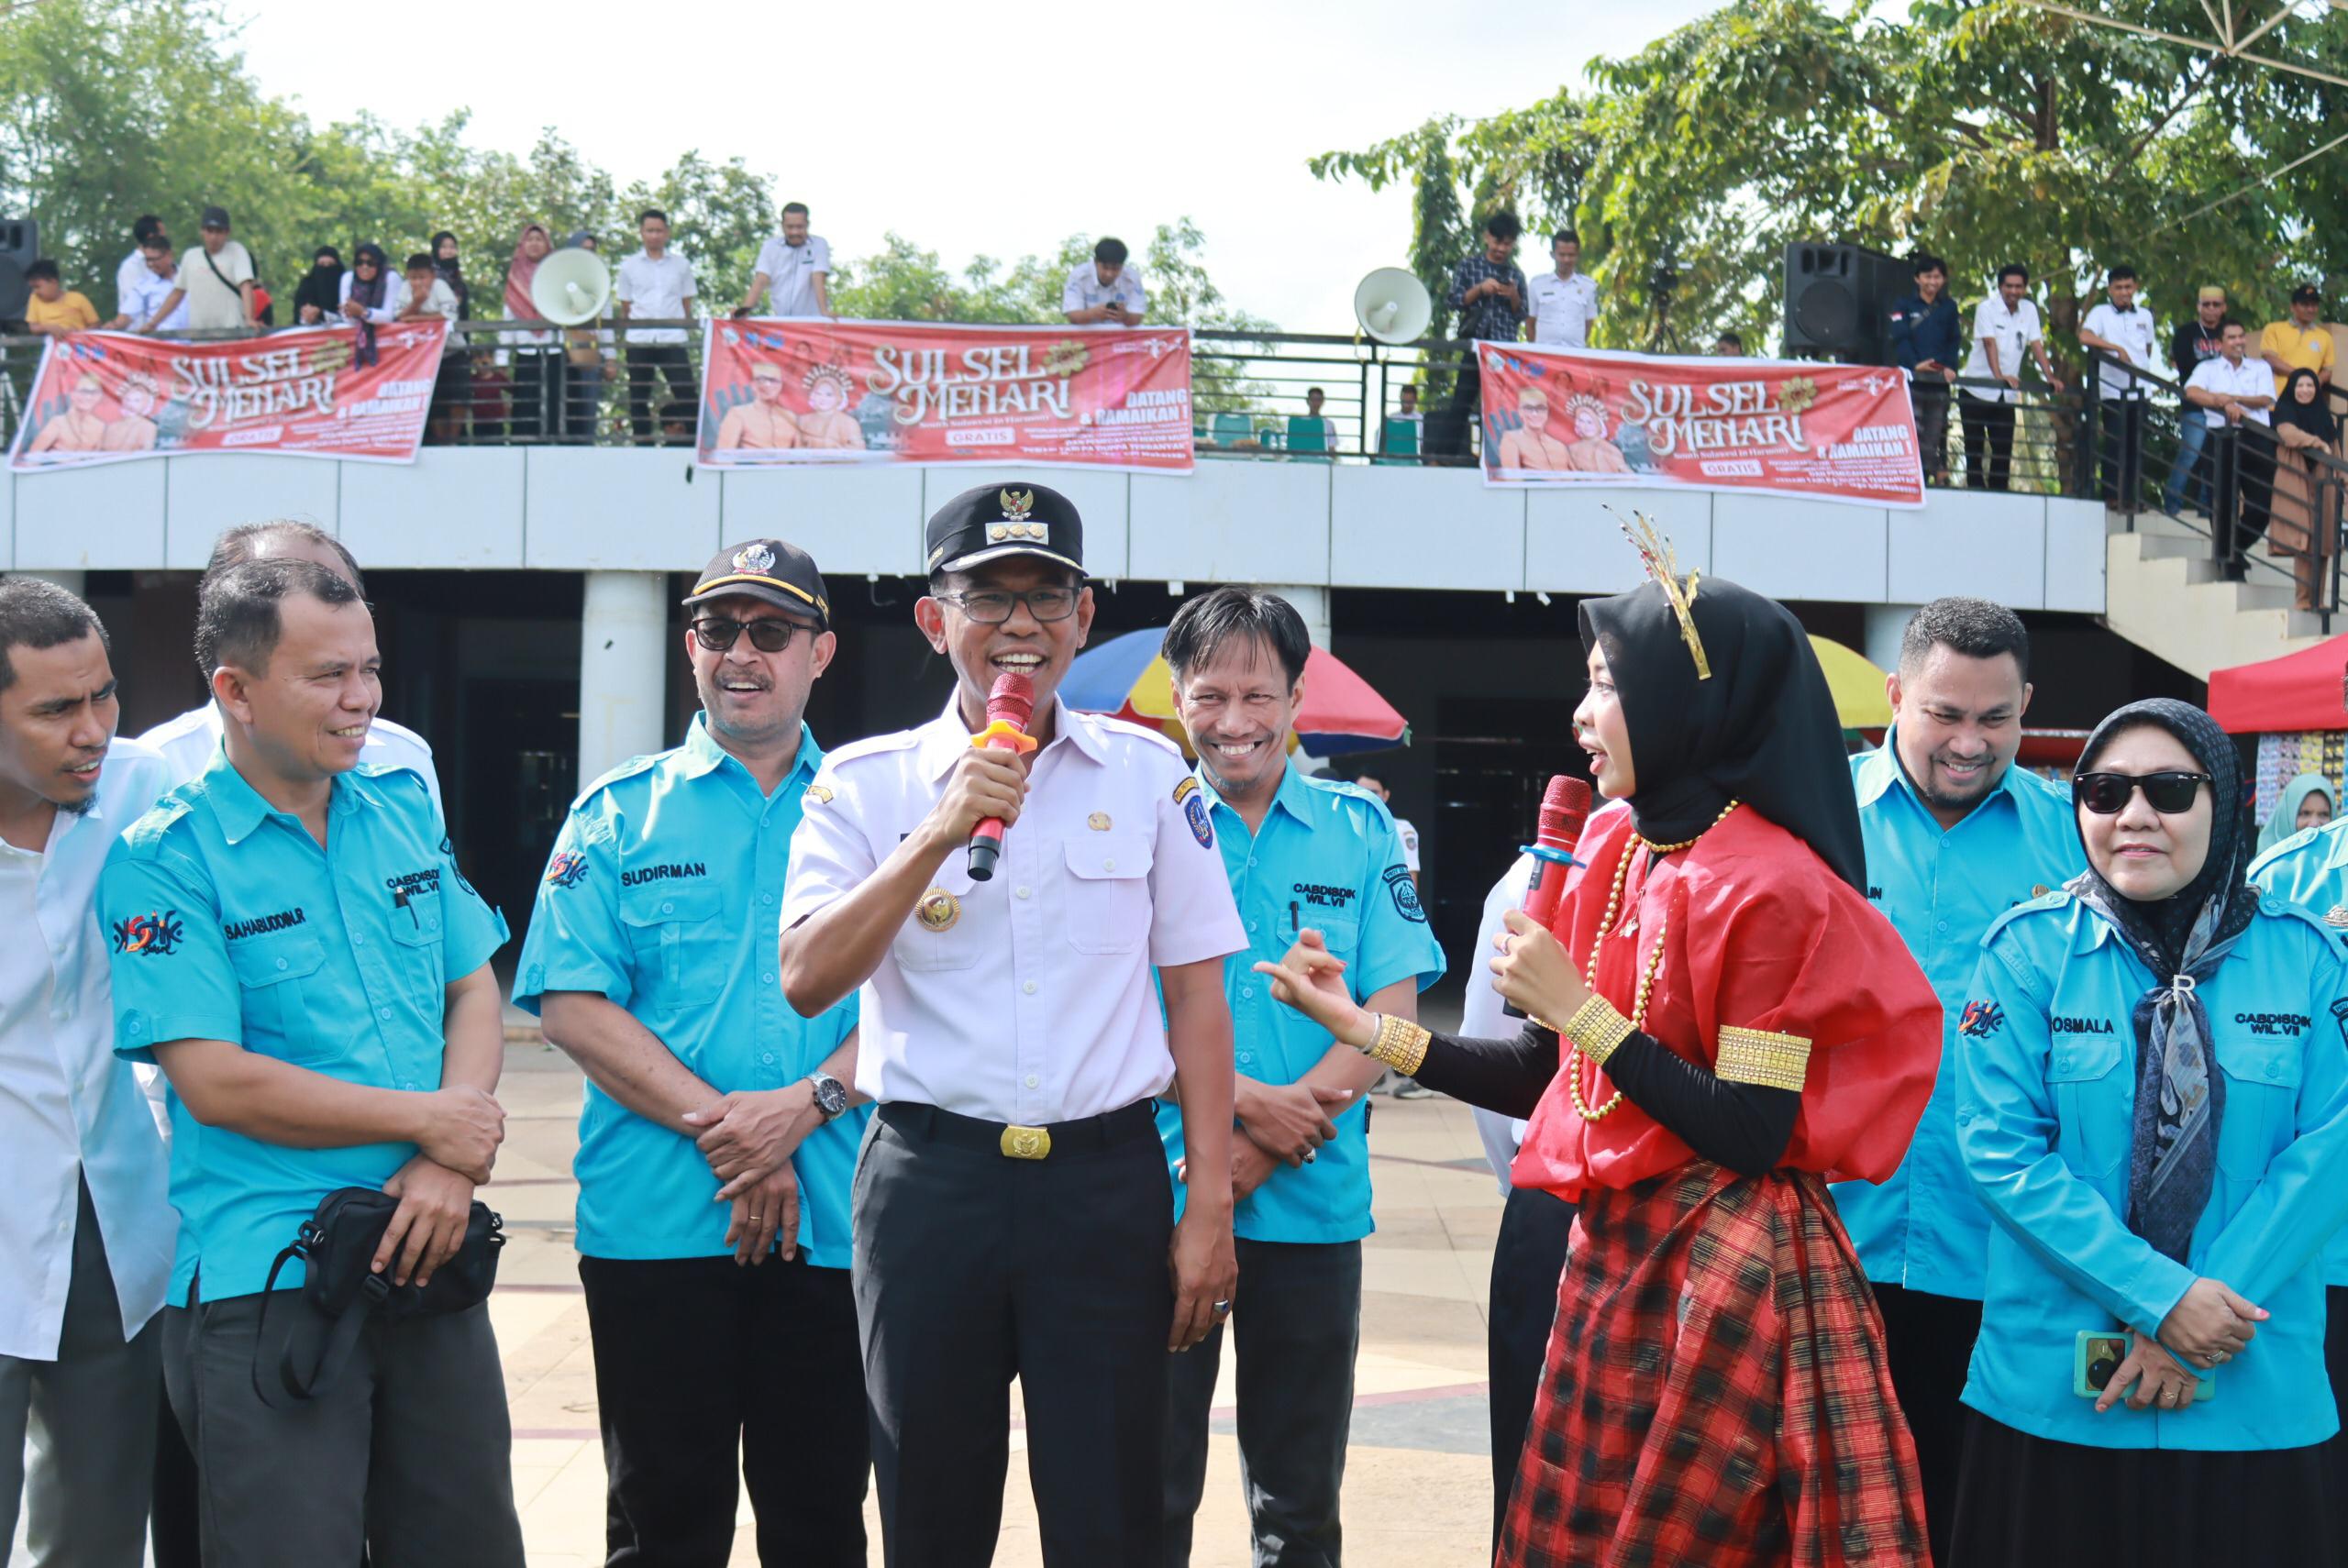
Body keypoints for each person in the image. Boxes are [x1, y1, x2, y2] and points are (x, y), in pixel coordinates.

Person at [1254, 539, 1939, 1567]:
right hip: (1606, 1252)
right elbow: (1541, 1071)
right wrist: (1367, 1031)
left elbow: (1751, 1132)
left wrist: (1583, 1013)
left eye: (1607, 687)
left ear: (1687, 703)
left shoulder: (1773, 887)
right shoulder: (1618, 846)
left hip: (1722, 1274)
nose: (1580, 717)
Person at [777, 482, 1245, 1566]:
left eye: (1048, 597)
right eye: (988, 599)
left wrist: (1206, 1203)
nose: (1021, 627)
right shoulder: (866, 785)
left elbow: (1197, 998)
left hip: (1105, 1189)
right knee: (931, 1516)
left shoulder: (1148, 776)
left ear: (1085, 619)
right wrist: (940, 829)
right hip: (930, 1192)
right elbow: (806, 978)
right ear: (936, 620)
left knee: (1112, 1519)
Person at [98, 558, 525, 1567]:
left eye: (370, 670)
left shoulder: (399, 812)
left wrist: (449, 1156)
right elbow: (213, 1079)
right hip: (274, 1281)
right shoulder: (165, 858)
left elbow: (473, 987)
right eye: (329, 675)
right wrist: (429, 1124)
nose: (363, 699)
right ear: (235, 692)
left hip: (432, 1253)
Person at [517, 539, 871, 1566]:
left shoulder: (873, 810)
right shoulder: (619, 812)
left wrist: (800, 1108)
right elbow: (572, 1004)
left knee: (818, 1519)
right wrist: (738, 1135)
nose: (742, 654)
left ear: (822, 652)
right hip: (658, 1226)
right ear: (689, 648)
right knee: (661, 1523)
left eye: (772, 631)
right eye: (719, 631)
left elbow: (919, 998)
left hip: (838, 1225)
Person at [1950, 699, 2348, 1568]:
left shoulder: (2312, 960)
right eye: (2103, 790)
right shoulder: (2025, 955)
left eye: (2169, 789)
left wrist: (2205, 1309)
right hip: (2059, 1395)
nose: (2134, 815)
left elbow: (2333, 1154)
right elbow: (1999, 1149)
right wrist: (2159, 1299)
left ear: (2226, 799)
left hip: (2251, 1385)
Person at [1156, 588, 1445, 1568]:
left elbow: (1392, 1019)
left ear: (1296, 696)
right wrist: (1242, 1117)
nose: (1232, 722)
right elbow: (1103, 1018)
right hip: (1159, 1203)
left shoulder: (1358, 833)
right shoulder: (1138, 825)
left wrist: (1274, 1139)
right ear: (1175, 695)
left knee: (1299, 1505)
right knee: (1146, 1492)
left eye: (1256, 694)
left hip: (1313, 1208)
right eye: (1208, 696)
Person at [1828, 598, 2082, 1562]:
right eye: (1944, 714)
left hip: (2009, 1257)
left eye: (1995, 718)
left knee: (1981, 1520)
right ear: (1895, 696)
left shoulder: (2074, 841)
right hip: (1837, 1240)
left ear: (2026, 708)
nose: (1970, 743)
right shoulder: (1811, 819)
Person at [0, 579, 176, 1568]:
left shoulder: (145, 791)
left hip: (113, 1231)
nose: (93, 730)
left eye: (104, 695)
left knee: (102, 1534)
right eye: (56, 709)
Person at [137, 522, 444, 818]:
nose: (360, 700)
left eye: (337, 593)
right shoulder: (155, 770)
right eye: (278, 589)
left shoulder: (405, 762)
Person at [2184, 319, 2277, 580]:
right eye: (2232, 337)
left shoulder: (2259, 368)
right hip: (2221, 435)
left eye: (2241, 336)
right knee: (2223, 500)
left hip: (2256, 437)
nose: (2238, 342)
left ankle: (2232, 549)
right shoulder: (2208, 367)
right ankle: (2230, 564)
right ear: (2221, 342)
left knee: (2261, 507)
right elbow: (2191, 391)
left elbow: (2265, 399)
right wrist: (2219, 402)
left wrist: (2231, 399)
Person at [1959, 262, 2065, 491]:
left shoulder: (2029, 310)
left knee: (2003, 447)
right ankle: (1975, 492)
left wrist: (2050, 376)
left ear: (2025, 288)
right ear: (2000, 287)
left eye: (2018, 286)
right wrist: (2000, 376)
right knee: (1974, 449)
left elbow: (2037, 345)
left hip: (2005, 394)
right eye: (2009, 286)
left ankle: (1999, 493)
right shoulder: (1986, 308)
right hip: (1976, 389)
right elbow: (1989, 343)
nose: (2013, 291)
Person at [1441, 211, 1528, 455]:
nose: (1502, 248)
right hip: (1475, 345)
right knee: (1462, 401)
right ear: (1487, 237)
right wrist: (1480, 289)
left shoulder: (1516, 274)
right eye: (1498, 241)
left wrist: (1513, 296)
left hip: (1503, 349)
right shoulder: (1469, 266)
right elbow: (1454, 301)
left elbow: (1522, 314)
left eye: (1508, 244)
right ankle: (1443, 456)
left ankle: (1499, 457)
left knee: (1501, 405)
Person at [2078, 265, 2160, 508]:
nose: (2124, 292)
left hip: (2140, 389)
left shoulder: (2144, 315)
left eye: (2128, 287)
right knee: (2115, 442)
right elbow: (2085, 336)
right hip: (2112, 390)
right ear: (2110, 289)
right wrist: (2116, 349)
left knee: (2137, 444)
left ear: (2135, 288)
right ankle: (2112, 495)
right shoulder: (2100, 312)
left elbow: (2147, 348)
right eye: (2119, 287)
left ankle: (2132, 496)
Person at [617, 210, 699, 445]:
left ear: (667, 233)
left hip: (672, 336)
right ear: (642, 233)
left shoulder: (681, 265)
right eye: (649, 230)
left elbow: (687, 302)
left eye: (658, 230)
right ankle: (643, 443)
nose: (654, 236)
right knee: (639, 395)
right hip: (640, 338)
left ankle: (692, 443)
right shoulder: (629, 266)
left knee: (685, 391)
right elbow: (626, 305)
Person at [2270, 367, 2343, 607]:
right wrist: (2316, 443)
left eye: (2310, 385)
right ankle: (2303, 600)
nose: (2305, 390)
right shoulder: (2284, 410)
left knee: (2322, 545)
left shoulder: (2325, 417)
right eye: (2300, 385)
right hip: (2296, 480)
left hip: (2324, 484)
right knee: (2304, 541)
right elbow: (2289, 435)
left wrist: (2343, 477)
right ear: (2292, 388)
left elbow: (2336, 452)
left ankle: (2317, 601)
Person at [1890, 253, 1962, 487]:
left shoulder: (1949, 307)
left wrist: (1950, 367)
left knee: (1933, 435)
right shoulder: (1902, 305)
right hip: (1912, 381)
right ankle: (1935, 473)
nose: (1933, 281)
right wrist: (1914, 365)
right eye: (1928, 276)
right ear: (1917, 279)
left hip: (1939, 382)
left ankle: (1930, 476)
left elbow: (1954, 340)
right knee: (1912, 433)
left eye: (1938, 276)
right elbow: (1899, 337)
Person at [2164, 286, 2232, 513]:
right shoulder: (2186, 332)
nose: (2211, 309)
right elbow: (2185, 365)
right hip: (2195, 405)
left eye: (2216, 304)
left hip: (2223, 407)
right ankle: (2172, 504)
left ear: (2224, 307)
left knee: (2213, 459)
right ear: (2198, 307)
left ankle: (2206, 510)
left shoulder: (2230, 332)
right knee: (2190, 454)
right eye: (2206, 304)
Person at [138, 206, 255, 333]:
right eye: (210, 231)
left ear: (227, 232)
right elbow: (177, 293)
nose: (214, 237)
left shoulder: (236, 251)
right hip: (200, 334)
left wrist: (249, 319)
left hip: (232, 331)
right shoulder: (191, 256)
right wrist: (153, 324)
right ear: (202, 231)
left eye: (219, 231)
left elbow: (245, 285)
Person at [395, 252, 468, 442]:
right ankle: (439, 439)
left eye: (422, 277)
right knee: (435, 401)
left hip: (452, 350)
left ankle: (453, 438)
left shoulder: (440, 287)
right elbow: (398, 318)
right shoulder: (405, 289)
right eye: (413, 278)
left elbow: (449, 315)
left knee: (457, 397)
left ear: (432, 276)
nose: (418, 282)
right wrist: (417, 302)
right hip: (426, 355)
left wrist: (414, 317)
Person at [503, 223, 561, 440]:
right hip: (525, 350)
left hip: (554, 348)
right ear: (523, 244)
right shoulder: (515, 275)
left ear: (547, 244)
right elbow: (508, 317)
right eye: (530, 239)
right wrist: (502, 358)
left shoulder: (557, 273)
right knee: (525, 404)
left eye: (539, 239)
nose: (535, 244)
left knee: (554, 401)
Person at [737, 202, 830, 318]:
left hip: (812, 321)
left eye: (799, 227)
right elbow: (761, 280)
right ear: (782, 226)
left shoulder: (819, 244)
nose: (794, 232)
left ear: (807, 224)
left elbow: (818, 277)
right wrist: (744, 310)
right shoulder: (770, 246)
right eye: (790, 227)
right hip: (781, 322)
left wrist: (825, 312)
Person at [1525, 229, 1599, 348]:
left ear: (1578, 255)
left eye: (1571, 255)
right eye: (1562, 255)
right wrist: (1536, 351)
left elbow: (1589, 324)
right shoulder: (1536, 284)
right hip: (1544, 354)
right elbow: (1529, 323)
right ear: (1552, 254)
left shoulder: (1589, 286)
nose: (1566, 260)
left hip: (1575, 355)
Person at [2260, 283, 2335, 397]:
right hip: (2277, 400)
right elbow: (2271, 360)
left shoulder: (2325, 337)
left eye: (2314, 305)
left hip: (2307, 402)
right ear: (2292, 307)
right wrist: (2303, 377)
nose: (2310, 309)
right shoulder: (2273, 329)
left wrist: (2314, 383)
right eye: (2305, 305)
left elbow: (2327, 370)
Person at [715, 361, 802, 452]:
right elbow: (724, 455)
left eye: (773, 380)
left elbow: (800, 458)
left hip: (784, 466)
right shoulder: (738, 414)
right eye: (761, 380)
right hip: (751, 465)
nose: (767, 385)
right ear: (753, 385)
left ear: (781, 385)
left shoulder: (790, 417)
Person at [110, 234, 187, 333]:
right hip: (161, 344)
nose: (150, 264)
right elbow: (126, 316)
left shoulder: (189, 277)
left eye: (154, 259)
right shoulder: (143, 285)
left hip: (195, 343)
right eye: (147, 260)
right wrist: (111, 327)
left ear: (169, 255)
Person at [1062, 237, 1146, 326]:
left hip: (1121, 336)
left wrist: (1125, 316)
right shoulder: (1078, 275)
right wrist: (1092, 314)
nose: (1109, 274)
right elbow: (1073, 317)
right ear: (1095, 262)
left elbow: (1137, 318)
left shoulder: (1132, 278)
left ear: (1123, 265)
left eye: (1115, 269)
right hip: (1086, 336)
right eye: (1105, 268)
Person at [24, 374, 111, 456]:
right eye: (83, 391)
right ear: (72, 393)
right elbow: (32, 457)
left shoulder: (100, 426)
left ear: (100, 396)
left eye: (94, 392)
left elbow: (99, 459)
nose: (88, 397)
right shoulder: (58, 423)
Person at [1493, 386, 1573, 470]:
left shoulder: (1559, 446)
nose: (1535, 414)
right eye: (1529, 408)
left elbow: (1577, 478)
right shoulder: (1511, 439)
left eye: (1540, 408)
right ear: (1520, 412)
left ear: (1547, 412)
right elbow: (1512, 479)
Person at [2256, 772, 2333, 855]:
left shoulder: (2340, 860)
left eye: (2323, 814)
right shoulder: (2268, 862)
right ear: (2287, 817)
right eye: (2305, 813)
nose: (2314, 824)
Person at [23, 260, 100, 336]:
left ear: (53, 282)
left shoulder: (78, 298)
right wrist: (48, 328)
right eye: (32, 288)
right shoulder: (35, 299)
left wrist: (78, 334)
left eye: (37, 287)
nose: (35, 291)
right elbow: (33, 327)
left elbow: (96, 325)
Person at [115, 215, 166, 313]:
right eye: (162, 235)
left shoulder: (167, 264)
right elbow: (135, 302)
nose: (165, 239)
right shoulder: (130, 267)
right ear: (151, 237)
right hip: (140, 326)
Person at [291, 247, 345, 326]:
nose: (326, 268)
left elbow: (348, 319)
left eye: (331, 264)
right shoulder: (307, 286)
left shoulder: (345, 285)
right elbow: (299, 318)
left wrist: (321, 314)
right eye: (322, 264)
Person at [431, 230, 471, 322]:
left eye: (452, 247)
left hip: (456, 321)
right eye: (444, 247)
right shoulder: (429, 272)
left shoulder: (455, 272)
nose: (448, 251)